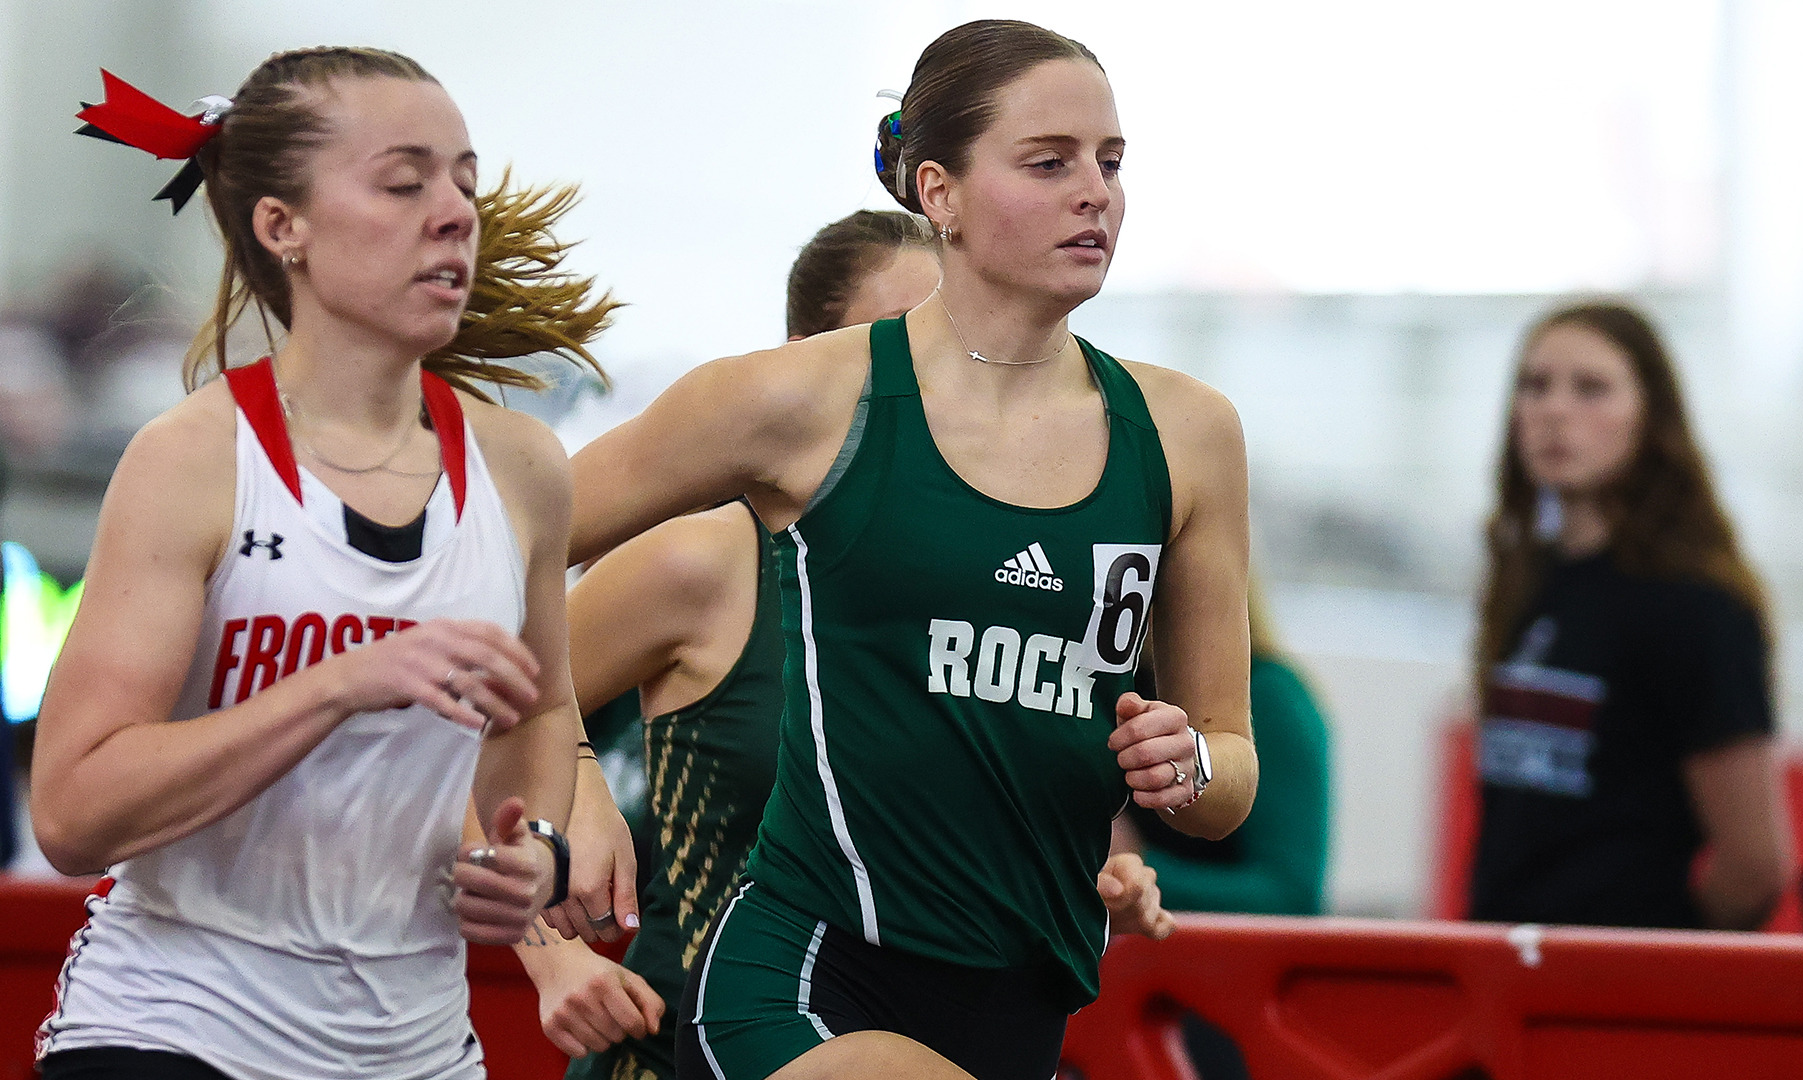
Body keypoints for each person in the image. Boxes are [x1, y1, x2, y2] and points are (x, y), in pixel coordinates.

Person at [570, 20, 1256, 1080]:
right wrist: (566, 775)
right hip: (805, 979)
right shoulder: (797, 397)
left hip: (1022, 1003)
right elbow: (502, 539)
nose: (1096, 193)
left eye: (1111, 163)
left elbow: (1230, 777)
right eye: (1049, 162)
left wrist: (1189, 764)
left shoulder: (1187, 432)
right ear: (938, 192)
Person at [29, 47, 612, 1080]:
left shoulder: (522, 467)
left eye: (465, 184)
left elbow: (542, 713)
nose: (454, 213)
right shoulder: (195, 460)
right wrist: (336, 686)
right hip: (179, 1022)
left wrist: (536, 857)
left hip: (414, 1043)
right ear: (280, 226)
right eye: (404, 182)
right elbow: (74, 814)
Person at [521, 208, 1174, 1077]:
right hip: (696, 1036)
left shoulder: (981, 582)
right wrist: (552, 940)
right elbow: (465, 718)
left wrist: (1075, 885)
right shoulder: (699, 561)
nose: (938, 370)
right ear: (801, 359)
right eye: (900, 337)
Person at [1468, 300, 1791, 931]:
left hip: (1613, 987)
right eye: (1534, 387)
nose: (1555, 411)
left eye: (1591, 389)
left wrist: (1659, 966)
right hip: (1505, 972)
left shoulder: (1696, 606)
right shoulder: (1530, 581)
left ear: (1650, 417)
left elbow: (1755, 864)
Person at [1122, 578, 1330, 917]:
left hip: (1202, 960)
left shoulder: (1273, 699)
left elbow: (1291, 894)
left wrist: (1137, 868)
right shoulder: (1119, 686)